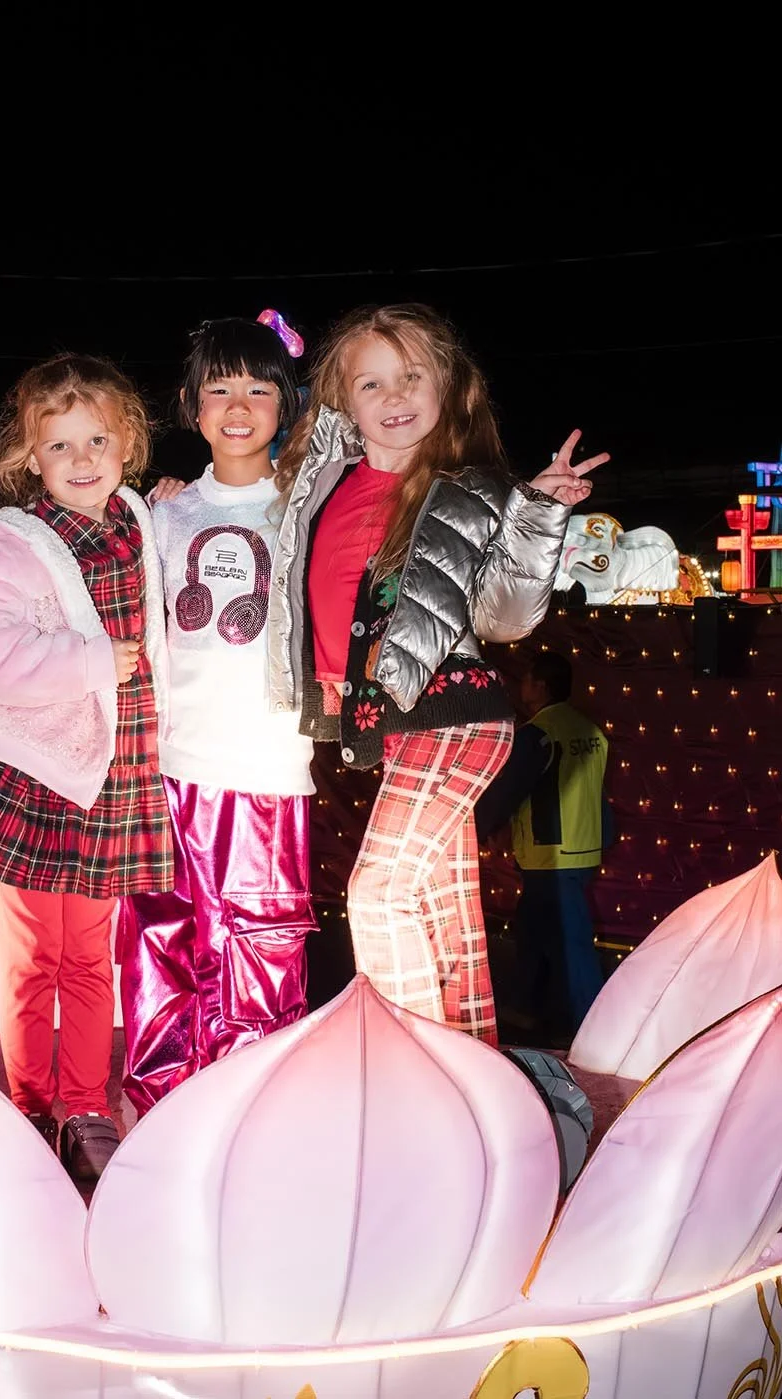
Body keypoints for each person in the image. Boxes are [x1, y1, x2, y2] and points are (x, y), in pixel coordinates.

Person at [267, 303, 608, 1044]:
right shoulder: (318, 486)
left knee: (380, 892)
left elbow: (505, 618)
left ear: (447, 389)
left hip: (453, 712)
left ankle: (413, 1071)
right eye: (371, 383)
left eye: (411, 377)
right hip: (394, 724)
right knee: (440, 904)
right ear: (341, 400)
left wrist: (539, 512)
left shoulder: (470, 489)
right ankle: (471, 1062)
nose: (393, 398)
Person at [0, 354, 172, 1182]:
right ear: (28, 458)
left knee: (89, 957)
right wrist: (86, 662)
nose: (82, 459)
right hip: (39, 780)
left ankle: (83, 1104)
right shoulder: (9, 544)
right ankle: (30, 1104)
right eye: (60, 444)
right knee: (32, 956)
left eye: (98, 439)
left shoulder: (138, 524)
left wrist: (173, 504)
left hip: (113, 780)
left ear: (128, 443)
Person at [121, 316, 318, 1114]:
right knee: (159, 938)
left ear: (288, 404)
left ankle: (249, 1111)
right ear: (189, 406)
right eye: (220, 388)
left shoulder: (309, 511)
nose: (239, 405)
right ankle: (162, 1105)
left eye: (259, 388)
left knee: (260, 947)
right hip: (167, 767)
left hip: (267, 771)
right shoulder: (157, 516)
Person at [476, 649, 611, 1040]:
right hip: (582, 849)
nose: (523, 685)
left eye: (528, 679)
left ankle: (594, 1023)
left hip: (550, 853)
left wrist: (479, 827)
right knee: (534, 929)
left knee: (572, 942)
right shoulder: (592, 732)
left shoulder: (538, 735)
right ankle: (524, 1006)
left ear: (542, 686)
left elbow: (508, 792)